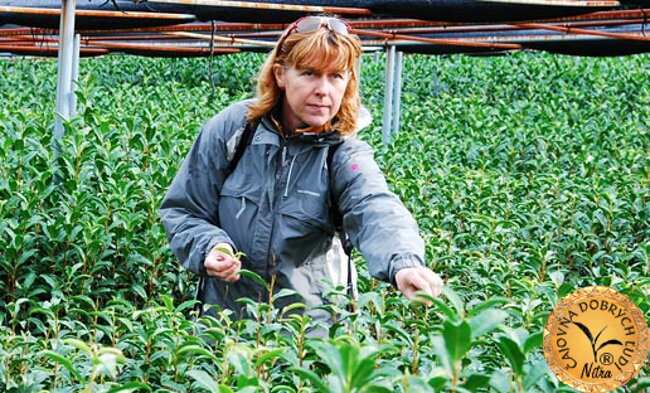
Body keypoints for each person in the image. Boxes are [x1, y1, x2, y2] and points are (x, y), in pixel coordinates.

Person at [159, 16, 443, 328]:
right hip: (227, 326)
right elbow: (185, 209)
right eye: (309, 73)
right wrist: (210, 246)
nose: (324, 90)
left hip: (308, 339)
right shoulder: (234, 131)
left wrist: (402, 263)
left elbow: (374, 205)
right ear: (281, 74)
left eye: (336, 76)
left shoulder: (342, 151)